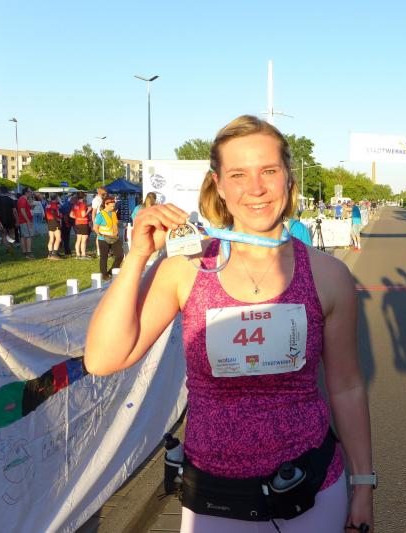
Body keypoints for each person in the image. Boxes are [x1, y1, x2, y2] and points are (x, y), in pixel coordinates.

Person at [84, 115, 374, 533]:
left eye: (269, 171)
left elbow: (346, 385)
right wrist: (137, 257)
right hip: (213, 497)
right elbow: (103, 359)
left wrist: (363, 483)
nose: (255, 188)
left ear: (289, 177)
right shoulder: (186, 268)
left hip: (311, 488)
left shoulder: (328, 275)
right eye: (238, 174)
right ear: (218, 184)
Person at [93, 196, 124, 281]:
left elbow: (115, 224)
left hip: (114, 238)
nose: (113, 207)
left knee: (120, 255)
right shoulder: (100, 215)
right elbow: (95, 227)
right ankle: (104, 275)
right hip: (103, 239)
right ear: (106, 205)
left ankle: (111, 272)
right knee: (104, 257)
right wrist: (100, 235)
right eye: (111, 206)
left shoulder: (113, 213)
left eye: (114, 206)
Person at [0, 186, 17, 253]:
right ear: (7, 192)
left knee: (3, 235)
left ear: (0, 191)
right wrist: (17, 220)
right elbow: (14, 211)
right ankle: (10, 246)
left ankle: (8, 247)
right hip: (10, 219)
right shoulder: (11, 200)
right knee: (11, 234)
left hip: (0, 220)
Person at [70, 192, 92, 259]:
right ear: (84, 197)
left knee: (78, 239)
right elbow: (83, 215)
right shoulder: (82, 205)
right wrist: (89, 210)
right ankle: (83, 254)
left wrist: (77, 218)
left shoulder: (75, 205)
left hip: (77, 223)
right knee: (84, 240)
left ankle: (78, 254)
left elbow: (71, 215)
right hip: (83, 223)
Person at [16, 188, 35, 259]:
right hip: (25, 221)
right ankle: (29, 253)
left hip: (23, 221)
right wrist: (28, 220)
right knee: (28, 236)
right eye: (30, 191)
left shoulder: (23, 199)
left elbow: (26, 208)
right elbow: (22, 210)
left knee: (23, 236)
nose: (31, 193)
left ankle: (24, 252)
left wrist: (30, 203)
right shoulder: (23, 199)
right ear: (26, 192)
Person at [44, 193, 63, 260]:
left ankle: (50, 254)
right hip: (54, 222)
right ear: (56, 198)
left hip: (49, 221)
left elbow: (47, 213)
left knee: (51, 238)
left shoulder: (48, 204)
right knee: (58, 238)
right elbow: (52, 212)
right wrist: (57, 219)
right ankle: (54, 254)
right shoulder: (54, 204)